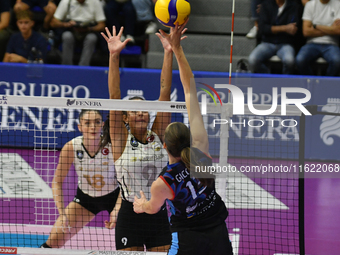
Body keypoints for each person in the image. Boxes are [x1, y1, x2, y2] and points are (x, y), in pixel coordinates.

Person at [133, 19, 233, 255]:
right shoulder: (201, 151)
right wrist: (177, 49)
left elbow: (153, 208)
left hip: (188, 239)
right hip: (218, 231)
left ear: (164, 145)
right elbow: (190, 90)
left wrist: (140, 206)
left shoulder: (163, 182)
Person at [101, 24, 186, 251]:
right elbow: (114, 96)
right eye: (134, 110)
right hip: (130, 214)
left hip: (158, 213)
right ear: (125, 118)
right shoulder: (120, 140)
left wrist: (168, 52)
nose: (140, 112)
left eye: (144, 109)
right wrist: (114, 56)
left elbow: (164, 93)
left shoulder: (158, 134)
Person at [40, 110, 120, 248]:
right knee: (54, 241)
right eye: (87, 123)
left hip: (115, 196)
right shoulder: (71, 147)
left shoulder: (112, 145)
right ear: (80, 127)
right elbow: (57, 182)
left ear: (102, 124)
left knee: (131, 239)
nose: (93, 127)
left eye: (97, 122)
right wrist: (62, 213)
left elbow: (127, 182)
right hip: (85, 199)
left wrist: (117, 209)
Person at [248, 0, 301, 74]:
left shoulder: (293, 6)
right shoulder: (266, 5)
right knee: (252, 60)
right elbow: (263, 28)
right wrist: (285, 28)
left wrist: (272, 28)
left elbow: (293, 29)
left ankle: (284, 82)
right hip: (267, 42)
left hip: (285, 43)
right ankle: (269, 79)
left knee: (290, 61)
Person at [51, 0, 106, 66]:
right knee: (67, 36)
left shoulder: (95, 2)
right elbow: (53, 22)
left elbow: (102, 25)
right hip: (71, 30)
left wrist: (89, 28)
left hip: (88, 31)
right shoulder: (66, 1)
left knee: (92, 38)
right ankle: (66, 67)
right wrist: (66, 24)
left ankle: (83, 67)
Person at [296, 0, 340, 76]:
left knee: (337, 61)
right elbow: (306, 31)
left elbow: (337, 30)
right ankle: (311, 83)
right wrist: (330, 28)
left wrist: (316, 26)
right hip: (312, 43)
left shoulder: (338, 4)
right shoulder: (310, 5)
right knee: (300, 60)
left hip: (331, 44)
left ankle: (326, 84)